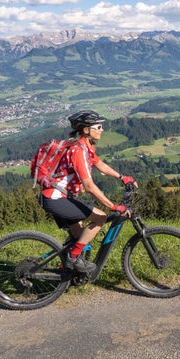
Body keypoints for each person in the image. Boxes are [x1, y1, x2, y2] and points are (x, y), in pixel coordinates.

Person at [38, 110, 137, 273]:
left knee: (80, 237)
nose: (102, 129)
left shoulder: (85, 148)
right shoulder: (78, 151)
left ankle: (68, 272)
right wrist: (113, 206)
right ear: (86, 130)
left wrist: (122, 177)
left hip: (61, 197)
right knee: (100, 217)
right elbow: (89, 186)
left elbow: (101, 165)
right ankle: (73, 258)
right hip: (56, 199)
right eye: (98, 126)